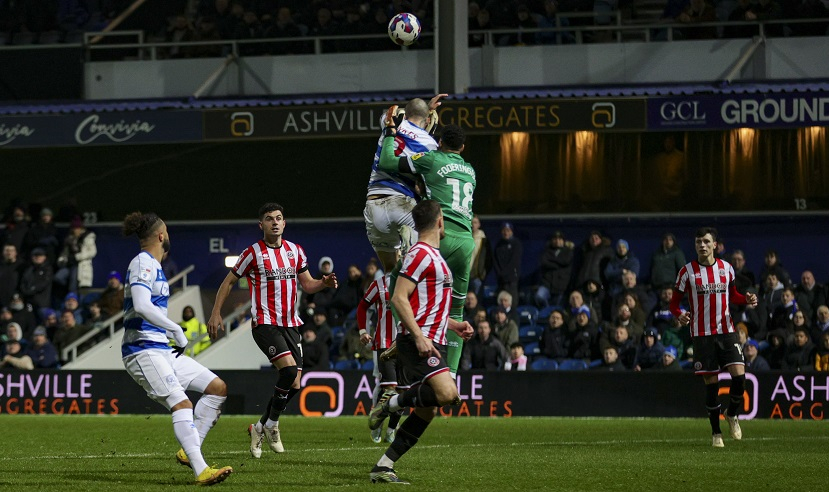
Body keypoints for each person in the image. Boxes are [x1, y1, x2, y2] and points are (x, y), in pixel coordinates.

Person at [207, 203, 337, 458]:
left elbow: (307, 284)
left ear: (284, 223)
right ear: (261, 225)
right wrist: (215, 312)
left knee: (295, 384)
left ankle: (259, 427)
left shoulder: (295, 251)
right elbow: (229, 282)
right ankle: (272, 425)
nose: (275, 222)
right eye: (269, 219)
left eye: (278, 218)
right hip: (265, 323)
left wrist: (322, 283)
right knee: (288, 371)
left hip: (291, 324)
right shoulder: (252, 253)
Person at [367, 199, 474, 484]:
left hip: (431, 338)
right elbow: (398, 298)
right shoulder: (420, 254)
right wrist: (418, 336)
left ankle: (383, 466)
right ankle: (390, 404)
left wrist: (454, 325)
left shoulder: (433, 257)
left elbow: (426, 306)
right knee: (448, 394)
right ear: (440, 221)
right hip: (419, 342)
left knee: (428, 411)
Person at [121, 211, 232, 485]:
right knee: (182, 404)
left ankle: (188, 450)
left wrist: (169, 333)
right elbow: (141, 305)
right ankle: (201, 470)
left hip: (162, 348)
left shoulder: (154, 265)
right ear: (161, 236)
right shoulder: (142, 263)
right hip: (142, 349)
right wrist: (175, 328)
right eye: (167, 231)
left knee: (217, 388)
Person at [377, 120, 477, 379]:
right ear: (463, 147)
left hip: (440, 237)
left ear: (440, 142)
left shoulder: (431, 159)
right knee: (457, 310)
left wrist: (390, 133)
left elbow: (387, 161)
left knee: (397, 280)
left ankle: (403, 336)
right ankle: (451, 376)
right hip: (467, 243)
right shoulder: (470, 170)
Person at [671, 227, 758, 448]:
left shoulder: (726, 268)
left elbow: (733, 295)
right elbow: (674, 304)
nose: (702, 245)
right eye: (698, 242)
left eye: (706, 242)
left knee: (740, 378)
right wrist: (679, 314)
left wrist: (746, 299)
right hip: (702, 335)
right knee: (712, 385)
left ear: (715, 245)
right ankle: (716, 433)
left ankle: (732, 414)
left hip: (726, 331)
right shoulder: (686, 272)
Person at [357, 272, 400, 444]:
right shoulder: (379, 284)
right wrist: (363, 330)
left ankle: (391, 429)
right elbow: (362, 306)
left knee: (402, 391)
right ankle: (378, 423)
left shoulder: (412, 281)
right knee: (389, 388)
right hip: (385, 342)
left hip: (405, 343)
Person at [54, 216, 97, 298]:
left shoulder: (87, 237)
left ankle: (73, 299)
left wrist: (77, 257)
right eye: (74, 228)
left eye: (77, 228)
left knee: (73, 287)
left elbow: (92, 252)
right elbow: (64, 252)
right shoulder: (69, 238)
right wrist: (62, 260)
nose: (75, 230)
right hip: (69, 264)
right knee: (58, 278)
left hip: (80, 265)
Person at [535, 230, 572, 309]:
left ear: (563, 241)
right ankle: (546, 310)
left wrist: (551, 261)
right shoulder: (546, 251)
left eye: (560, 239)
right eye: (555, 239)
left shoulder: (568, 251)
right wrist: (558, 264)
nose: (557, 241)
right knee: (539, 297)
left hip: (561, 285)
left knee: (557, 308)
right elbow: (544, 263)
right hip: (547, 283)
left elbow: (565, 261)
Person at [492, 222, 523, 307]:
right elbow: (495, 260)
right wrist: (499, 273)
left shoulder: (516, 243)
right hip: (501, 279)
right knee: (501, 300)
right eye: (504, 230)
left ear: (512, 231)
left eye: (508, 230)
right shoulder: (499, 244)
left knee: (512, 300)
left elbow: (514, 261)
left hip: (511, 278)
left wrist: (504, 273)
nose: (506, 233)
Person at [18, 247, 52, 312]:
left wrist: (32, 289)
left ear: (44, 257)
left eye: (40, 255)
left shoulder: (48, 269)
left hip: (42, 303)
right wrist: (25, 291)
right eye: (35, 255)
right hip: (29, 302)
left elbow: (44, 283)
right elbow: (23, 282)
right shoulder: (28, 270)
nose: (37, 257)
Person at [468, 215, 491, 299]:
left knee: (477, 300)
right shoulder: (464, 238)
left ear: (479, 224)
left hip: (477, 276)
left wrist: (482, 273)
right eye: (471, 222)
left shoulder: (484, 240)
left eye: (475, 222)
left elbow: (488, 259)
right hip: (465, 275)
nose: (472, 225)